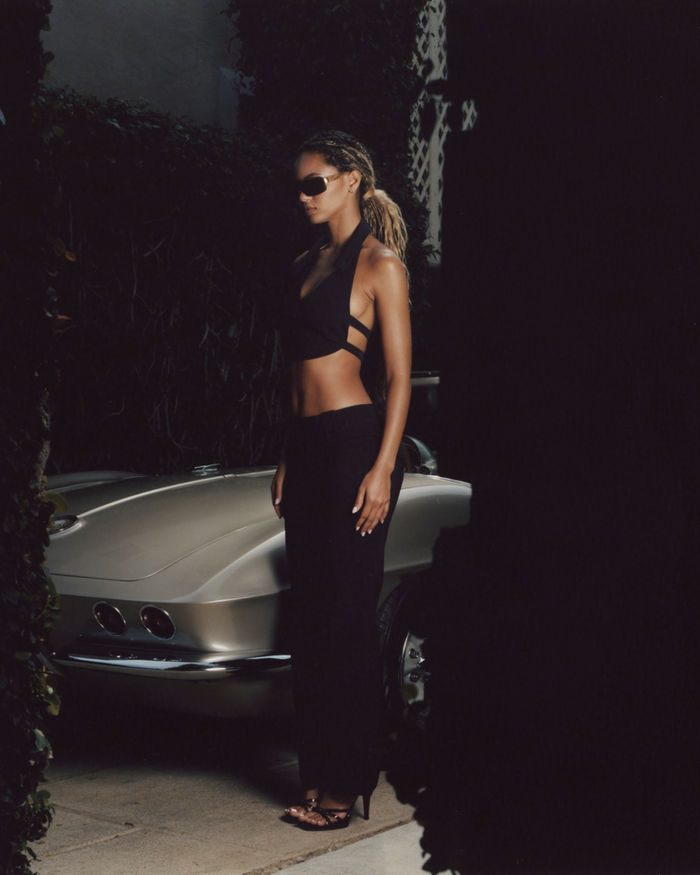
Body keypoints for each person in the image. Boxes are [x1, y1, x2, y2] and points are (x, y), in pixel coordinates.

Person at [271, 131, 411, 831]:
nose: (303, 197)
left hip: (357, 446)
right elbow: (292, 375)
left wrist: (382, 468)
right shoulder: (304, 263)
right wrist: (287, 457)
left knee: (347, 619)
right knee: (311, 618)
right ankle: (318, 775)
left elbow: (399, 377)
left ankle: (345, 787)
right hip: (307, 449)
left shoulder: (380, 264)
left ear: (351, 179)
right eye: (297, 186)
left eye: (315, 183)